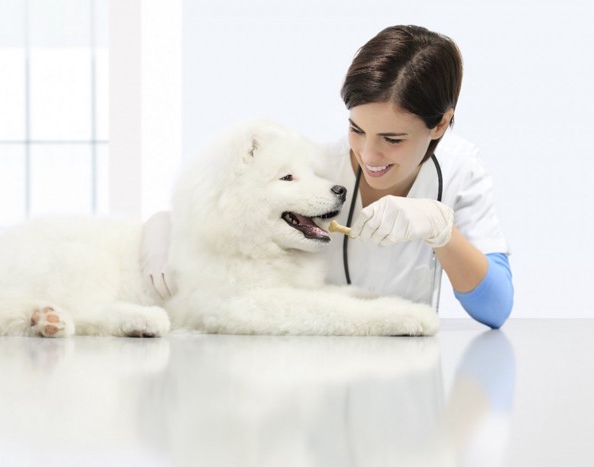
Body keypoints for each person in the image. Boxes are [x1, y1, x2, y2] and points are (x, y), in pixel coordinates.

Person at [141, 25, 513, 329]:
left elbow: (496, 309)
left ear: (441, 124)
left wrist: (441, 231)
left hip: (404, 374)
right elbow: (232, 227)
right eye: (357, 129)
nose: (368, 154)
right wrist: (165, 226)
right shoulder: (321, 167)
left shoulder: (461, 170)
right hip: (317, 367)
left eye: (392, 139)